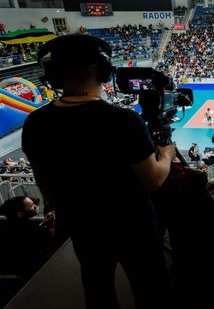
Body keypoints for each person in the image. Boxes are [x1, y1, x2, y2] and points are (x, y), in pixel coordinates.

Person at [22, 34, 176, 307]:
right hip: (133, 225)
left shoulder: (35, 123)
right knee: (151, 290)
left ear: (53, 76)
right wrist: (166, 155)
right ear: (104, 72)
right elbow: (153, 180)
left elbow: (44, 183)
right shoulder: (124, 121)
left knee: (97, 288)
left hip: (83, 225)